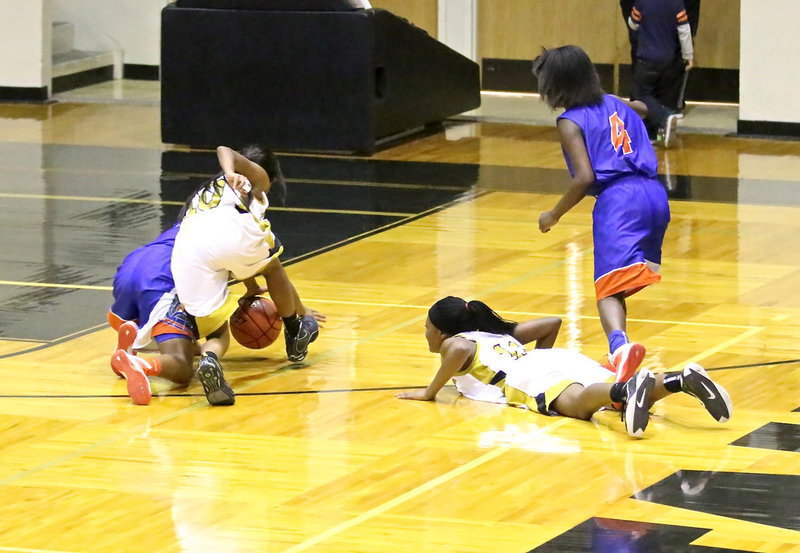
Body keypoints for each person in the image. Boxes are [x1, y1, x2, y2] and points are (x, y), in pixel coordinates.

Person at [532, 45, 670, 396]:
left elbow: (583, 177)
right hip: (655, 195)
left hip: (619, 201)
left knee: (606, 287)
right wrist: (629, 106)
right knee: (620, 283)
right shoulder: (612, 102)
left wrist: (554, 214)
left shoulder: (569, 121)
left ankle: (619, 348)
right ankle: (619, 349)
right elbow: (642, 108)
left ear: (556, 85)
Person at [397, 297, 732, 438]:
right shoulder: (496, 334)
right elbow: (551, 323)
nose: (425, 333)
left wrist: (430, 392)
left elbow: (455, 348)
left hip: (525, 376)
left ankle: (628, 387)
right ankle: (677, 380)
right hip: (555, 360)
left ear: (441, 331)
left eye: (427, 327)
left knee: (578, 405)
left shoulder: (456, 344)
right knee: (614, 401)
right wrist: (541, 359)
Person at [171, 145, 321, 405]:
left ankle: (210, 359)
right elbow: (224, 149)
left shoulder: (207, 193)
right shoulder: (257, 177)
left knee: (216, 331)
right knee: (273, 267)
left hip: (187, 247)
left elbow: (226, 257)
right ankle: (294, 331)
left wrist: (251, 287)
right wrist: (231, 171)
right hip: (228, 232)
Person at [628, 0, 694, 147]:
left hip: (646, 58)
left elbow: (633, 24)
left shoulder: (642, 2)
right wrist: (688, 55)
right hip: (668, 59)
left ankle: (665, 117)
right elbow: (684, 31)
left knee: (641, 95)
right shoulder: (676, 3)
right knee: (660, 94)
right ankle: (655, 134)